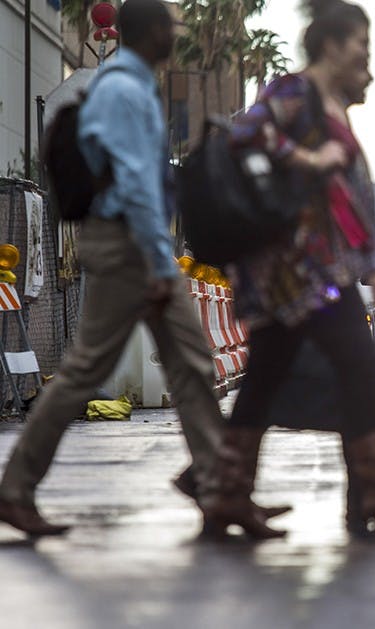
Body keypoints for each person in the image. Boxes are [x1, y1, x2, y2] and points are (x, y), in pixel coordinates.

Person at [0, 0, 271, 538]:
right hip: (129, 244)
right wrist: (155, 257)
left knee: (191, 365)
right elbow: (133, 181)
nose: (176, 31)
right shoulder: (126, 91)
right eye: (170, 24)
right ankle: (14, 490)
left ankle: (220, 489)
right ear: (150, 33)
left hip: (131, 242)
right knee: (86, 371)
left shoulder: (129, 85)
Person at [221, 0, 375, 538]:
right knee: (361, 365)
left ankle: (223, 492)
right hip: (301, 271)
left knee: (268, 376)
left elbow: (346, 203)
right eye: (360, 42)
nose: (365, 52)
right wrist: (309, 159)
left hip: (315, 268)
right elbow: (245, 133)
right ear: (332, 45)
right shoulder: (295, 91)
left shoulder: (330, 107)